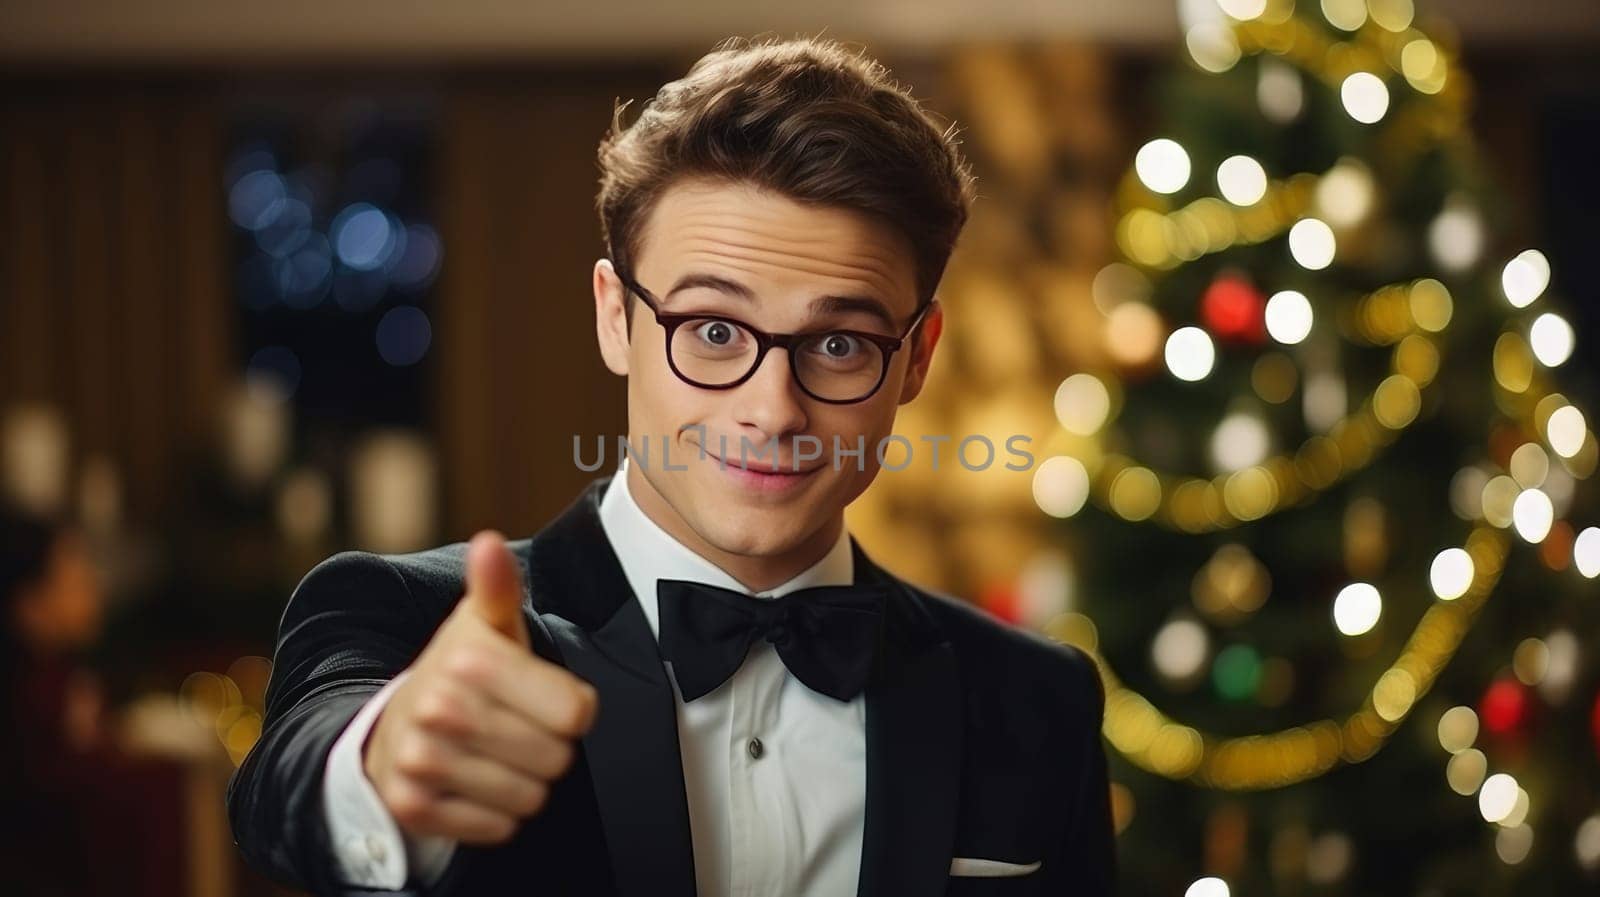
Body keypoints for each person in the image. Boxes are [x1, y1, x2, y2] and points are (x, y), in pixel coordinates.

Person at [227, 35, 1116, 897]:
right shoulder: (397, 616)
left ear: (917, 357)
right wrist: (387, 763)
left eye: (840, 342)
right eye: (715, 330)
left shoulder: (1039, 699)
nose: (772, 411)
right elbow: (292, 784)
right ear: (616, 318)